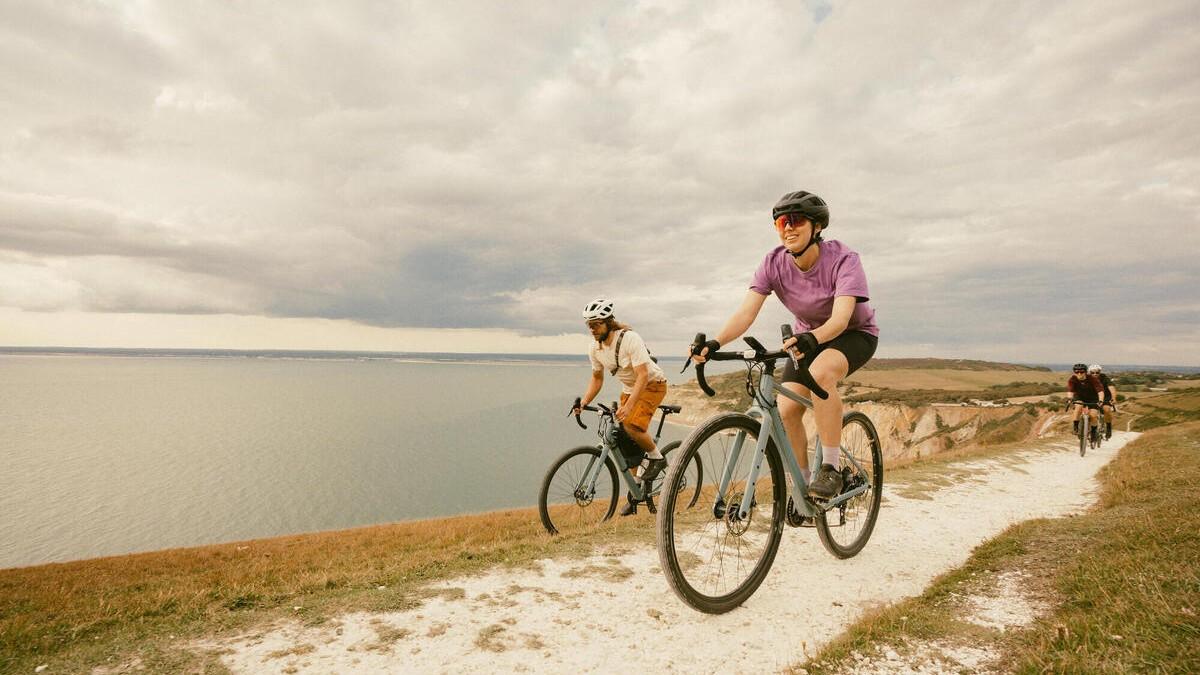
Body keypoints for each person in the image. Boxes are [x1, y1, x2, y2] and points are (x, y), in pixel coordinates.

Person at [689, 190, 879, 504]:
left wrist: (814, 338)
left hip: (852, 334)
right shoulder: (773, 263)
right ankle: (803, 489)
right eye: (780, 222)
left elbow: (841, 318)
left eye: (796, 220)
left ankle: (831, 468)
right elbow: (746, 313)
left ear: (817, 227)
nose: (787, 227)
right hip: (806, 339)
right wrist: (715, 342)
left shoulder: (845, 259)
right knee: (787, 409)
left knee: (821, 374)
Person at [573, 298, 669, 516]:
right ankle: (636, 492)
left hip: (652, 385)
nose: (592, 329)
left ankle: (657, 458)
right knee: (626, 442)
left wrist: (629, 407)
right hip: (629, 389)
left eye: (596, 324)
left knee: (632, 426)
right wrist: (585, 402)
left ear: (608, 322)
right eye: (589, 325)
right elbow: (597, 379)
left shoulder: (629, 339)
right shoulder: (594, 349)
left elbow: (643, 375)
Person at [1066, 363, 1103, 437]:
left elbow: (1100, 391)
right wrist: (1070, 399)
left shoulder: (1093, 379)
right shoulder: (1072, 379)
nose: (1079, 373)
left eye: (1082, 372)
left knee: (1093, 415)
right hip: (1079, 397)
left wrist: (1101, 400)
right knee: (1078, 407)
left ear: (1086, 372)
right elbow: (1070, 391)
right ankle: (1076, 427)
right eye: (1077, 372)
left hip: (1093, 398)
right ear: (1074, 372)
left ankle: (1093, 432)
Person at [1088, 364, 1117, 439]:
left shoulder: (1104, 378)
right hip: (1093, 398)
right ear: (1089, 373)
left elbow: (1111, 387)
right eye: (1092, 373)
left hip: (1105, 397)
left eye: (1097, 372)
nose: (1095, 374)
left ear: (1100, 372)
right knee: (1090, 413)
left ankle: (1108, 427)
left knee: (1106, 409)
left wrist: (1113, 398)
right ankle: (1086, 429)